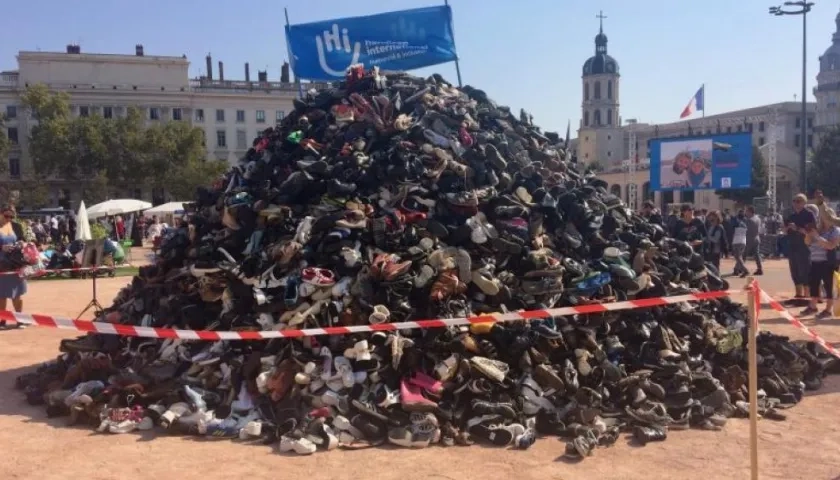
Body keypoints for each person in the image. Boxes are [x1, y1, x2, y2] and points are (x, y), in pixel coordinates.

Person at [801, 212, 840, 319]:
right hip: (815, 260)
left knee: (829, 287)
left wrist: (817, 237)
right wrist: (808, 234)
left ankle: (828, 310)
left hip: (828, 262)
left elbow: (831, 246)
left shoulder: (835, 231)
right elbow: (807, 242)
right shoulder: (818, 229)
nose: (823, 220)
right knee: (813, 285)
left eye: (827, 218)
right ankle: (813, 306)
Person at [785, 193, 817, 304]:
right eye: (794, 201)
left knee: (805, 271)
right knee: (795, 271)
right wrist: (785, 228)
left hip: (804, 247)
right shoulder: (791, 216)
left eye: (798, 201)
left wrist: (797, 228)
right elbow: (786, 232)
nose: (795, 203)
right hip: (792, 246)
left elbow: (810, 232)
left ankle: (807, 297)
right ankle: (798, 295)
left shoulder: (809, 215)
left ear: (804, 202)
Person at [0, 205, 27, 328]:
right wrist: (1, 247)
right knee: (1, 294)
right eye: (6, 216)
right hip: (1, 265)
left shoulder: (16, 226)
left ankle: (20, 319)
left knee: (17, 293)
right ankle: (2, 320)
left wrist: (22, 243)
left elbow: (23, 240)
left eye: (12, 216)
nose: (9, 219)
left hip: (15, 263)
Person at [744, 205, 763, 276]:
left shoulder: (749, 220)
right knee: (756, 255)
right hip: (756, 238)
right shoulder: (758, 218)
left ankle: (739, 269)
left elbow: (746, 231)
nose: (745, 212)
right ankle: (760, 268)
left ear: (750, 212)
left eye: (746, 211)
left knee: (743, 255)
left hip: (749, 239)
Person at [731, 212, 748, 277]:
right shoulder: (745, 224)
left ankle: (745, 270)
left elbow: (732, 229)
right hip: (743, 241)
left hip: (737, 241)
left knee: (737, 257)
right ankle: (736, 269)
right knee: (739, 257)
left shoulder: (737, 223)